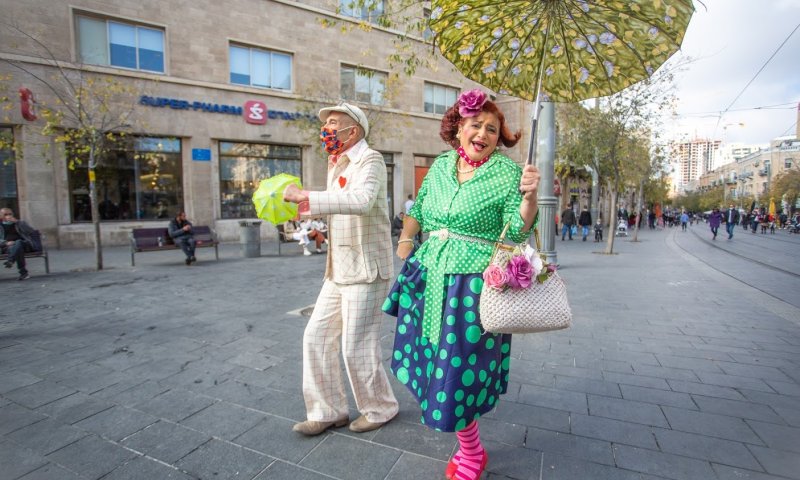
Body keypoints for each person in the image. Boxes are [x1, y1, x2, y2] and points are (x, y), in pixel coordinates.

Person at [385, 89, 540, 480]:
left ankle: (471, 453)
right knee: (433, 365)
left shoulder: (508, 173)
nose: (484, 133)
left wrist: (530, 197)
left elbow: (518, 228)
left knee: (458, 372)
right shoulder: (440, 165)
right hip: (427, 279)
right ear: (458, 128)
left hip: (470, 288)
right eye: (476, 125)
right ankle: (469, 444)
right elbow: (418, 209)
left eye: (492, 128)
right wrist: (406, 239)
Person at [282, 102, 399, 436]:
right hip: (339, 268)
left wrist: (306, 196)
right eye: (326, 123)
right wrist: (303, 209)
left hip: (366, 267)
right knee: (315, 337)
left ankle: (380, 408)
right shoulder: (335, 162)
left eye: (334, 123)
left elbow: (360, 201)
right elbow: (336, 207)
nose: (327, 129)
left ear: (354, 130)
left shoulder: (371, 160)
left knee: (356, 345)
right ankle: (327, 410)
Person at [1, 208, 39, 280]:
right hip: (8, 247)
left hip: (25, 244)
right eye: (5, 214)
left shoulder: (19, 223)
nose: (8, 216)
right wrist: (6, 243)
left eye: (10, 214)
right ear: (1, 216)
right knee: (18, 248)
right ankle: (24, 273)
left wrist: (17, 222)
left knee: (18, 242)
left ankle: (11, 260)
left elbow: (31, 231)